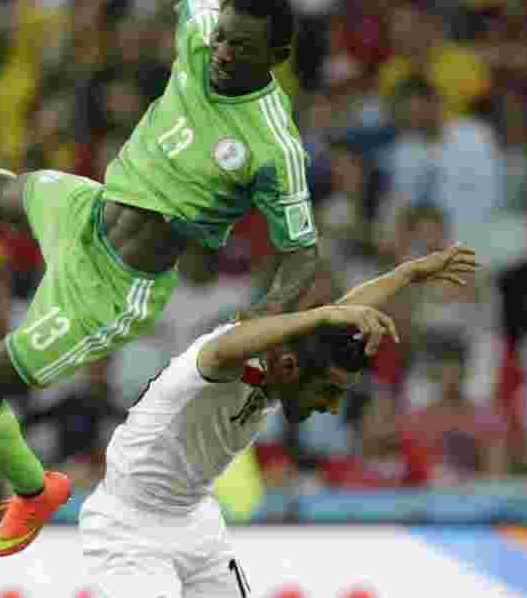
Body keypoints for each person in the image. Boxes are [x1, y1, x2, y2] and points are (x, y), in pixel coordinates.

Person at [0, 0, 324, 556]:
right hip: (90, 209)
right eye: (220, 39)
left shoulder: (274, 145)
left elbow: (302, 250)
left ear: (274, 57)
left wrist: (261, 323)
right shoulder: (201, 39)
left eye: (240, 49)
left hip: (111, 288)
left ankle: (35, 489)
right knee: (0, 191)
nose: (221, 53)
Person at [80, 245, 478, 596]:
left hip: (194, 519)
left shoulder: (288, 365)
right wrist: (321, 316)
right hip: (130, 523)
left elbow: (330, 321)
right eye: (328, 392)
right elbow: (232, 346)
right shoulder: (224, 358)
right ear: (288, 367)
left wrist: (403, 275)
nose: (333, 407)